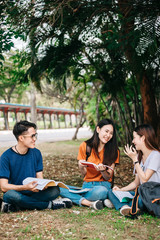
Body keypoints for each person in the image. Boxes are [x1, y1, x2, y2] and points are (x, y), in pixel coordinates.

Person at [0, 120, 72, 213]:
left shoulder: (36, 153)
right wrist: (25, 187)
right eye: (32, 136)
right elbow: (4, 187)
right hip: (16, 192)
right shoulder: (6, 157)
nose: (35, 139)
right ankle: (49, 205)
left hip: (34, 193)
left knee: (55, 190)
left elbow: (40, 178)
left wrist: (44, 185)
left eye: (35, 135)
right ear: (21, 138)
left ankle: (17, 206)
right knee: (9, 195)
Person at [60, 119, 119, 210]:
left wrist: (103, 171)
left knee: (102, 192)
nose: (108, 135)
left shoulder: (114, 151)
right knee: (59, 188)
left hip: (103, 186)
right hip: (87, 185)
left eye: (111, 133)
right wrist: (81, 166)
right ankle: (90, 203)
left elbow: (108, 177)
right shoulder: (85, 146)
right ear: (98, 129)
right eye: (106, 131)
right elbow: (84, 174)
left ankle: (77, 197)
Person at [107, 124, 160, 216]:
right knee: (111, 192)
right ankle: (124, 207)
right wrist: (121, 190)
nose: (133, 141)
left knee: (138, 200)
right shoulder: (139, 157)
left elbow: (144, 179)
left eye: (134, 138)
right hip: (142, 194)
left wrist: (135, 160)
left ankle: (120, 204)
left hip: (153, 195)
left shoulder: (156, 155)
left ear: (143, 138)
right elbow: (136, 183)